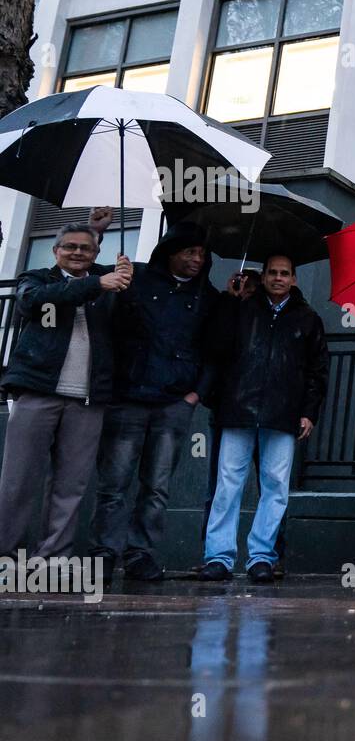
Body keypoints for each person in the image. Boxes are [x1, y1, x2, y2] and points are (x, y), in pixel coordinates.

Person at [88, 222, 218, 581]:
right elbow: (85, 273)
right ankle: (103, 553)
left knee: (157, 486)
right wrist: (98, 237)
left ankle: (140, 554)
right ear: (171, 252)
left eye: (202, 254)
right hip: (128, 397)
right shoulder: (138, 278)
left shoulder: (209, 297)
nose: (197, 259)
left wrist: (195, 396)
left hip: (173, 404)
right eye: (190, 252)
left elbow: (216, 350)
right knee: (114, 482)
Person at [0, 223, 132, 564]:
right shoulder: (38, 279)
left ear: (96, 253)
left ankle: (52, 559)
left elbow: (116, 285)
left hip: (88, 400)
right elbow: (34, 303)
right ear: (55, 251)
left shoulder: (107, 283)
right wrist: (96, 283)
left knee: (71, 486)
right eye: (69, 247)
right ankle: (6, 556)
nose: (77, 252)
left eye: (85, 248)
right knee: (18, 481)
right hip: (36, 393)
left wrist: (112, 269)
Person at [199, 255, 328, 583]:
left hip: (283, 413)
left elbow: (318, 371)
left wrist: (308, 412)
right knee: (227, 486)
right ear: (264, 275)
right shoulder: (242, 308)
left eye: (285, 273)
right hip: (238, 408)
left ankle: (261, 556)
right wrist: (230, 299)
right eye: (273, 272)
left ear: (294, 279)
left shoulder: (308, 318)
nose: (279, 278)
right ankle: (219, 556)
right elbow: (216, 346)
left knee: (275, 487)